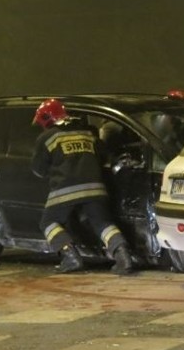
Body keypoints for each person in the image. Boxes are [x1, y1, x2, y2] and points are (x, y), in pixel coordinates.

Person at [30, 98, 135, 274]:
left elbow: (38, 170)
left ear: (46, 118)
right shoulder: (87, 133)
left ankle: (70, 257)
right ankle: (123, 257)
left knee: (48, 222)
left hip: (64, 190)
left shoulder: (47, 138)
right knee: (103, 223)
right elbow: (105, 157)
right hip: (96, 187)